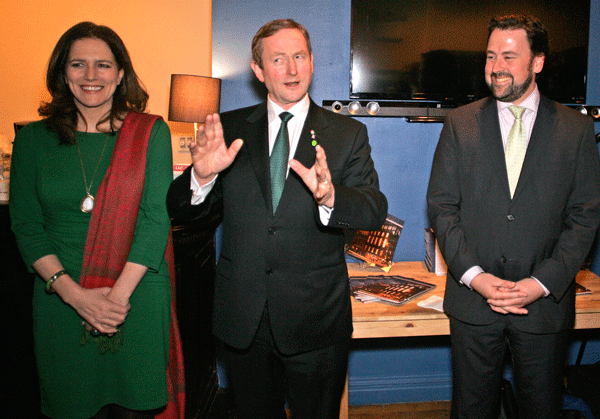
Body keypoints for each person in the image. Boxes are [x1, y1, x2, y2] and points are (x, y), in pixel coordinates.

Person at [167, 18, 387, 419]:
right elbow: (180, 210)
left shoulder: (346, 133)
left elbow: (373, 208)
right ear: (258, 71)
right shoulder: (229, 128)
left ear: (312, 61)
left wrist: (331, 196)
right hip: (243, 319)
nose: (291, 69)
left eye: (299, 56)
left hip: (316, 320)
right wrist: (201, 176)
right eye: (279, 59)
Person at [427, 14, 600, 419]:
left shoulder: (576, 131)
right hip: (473, 303)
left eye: (508, 56)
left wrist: (541, 283)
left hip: (544, 306)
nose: (495, 68)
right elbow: (441, 206)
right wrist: (477, 277)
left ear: (537, 62)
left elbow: (585, 218)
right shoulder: (459, 123)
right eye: (490, 57)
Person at [10, 22, 184, 419]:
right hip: (60, 297)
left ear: (121, 74)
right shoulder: (33, 140)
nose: (91, 76)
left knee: (137, 409)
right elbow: (26, 225)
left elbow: (155, 219)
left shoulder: (149, 132)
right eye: (78, 64)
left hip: (136, 295)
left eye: (103, 65)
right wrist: (76, 297)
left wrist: (115, 300)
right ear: (62, 73)